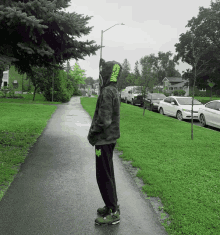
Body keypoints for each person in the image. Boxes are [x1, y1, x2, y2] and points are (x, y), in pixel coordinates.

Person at [87, 58, 122, 225]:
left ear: (107, 75)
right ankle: (111, 206)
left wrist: (92, 135)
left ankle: (113, 212)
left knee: (103, 176)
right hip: (109, 140)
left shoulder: (107, 91)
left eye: (102, 73)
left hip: (103, 140)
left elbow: (104, 121)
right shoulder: (113, 89)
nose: (100, 76)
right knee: (108, 174)